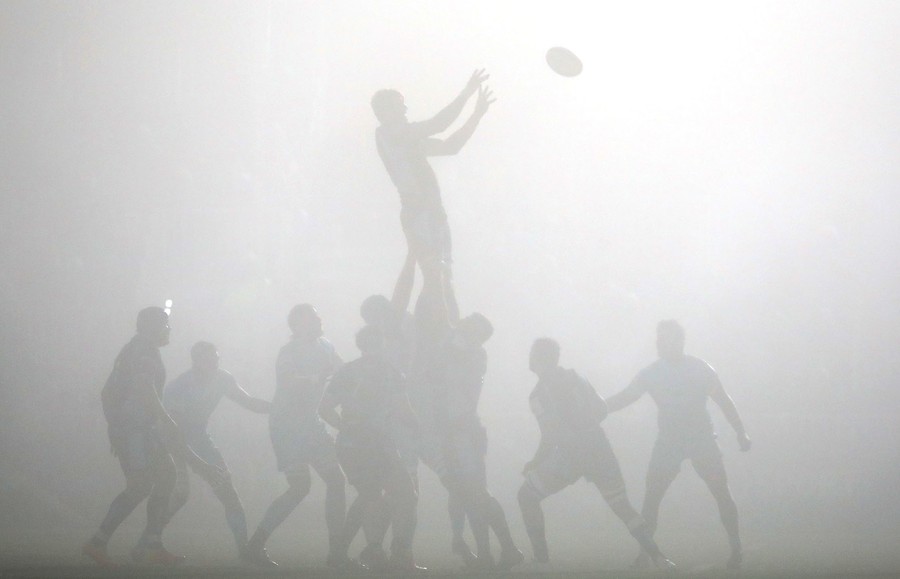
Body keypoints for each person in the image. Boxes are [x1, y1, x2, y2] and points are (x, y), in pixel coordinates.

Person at [517, 338, 675, 570]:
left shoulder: (538, 395)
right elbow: (602, 410)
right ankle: (660, 558)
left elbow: (550, 436)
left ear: (538, 359)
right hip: (599, 449)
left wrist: (535, 462)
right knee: (622, 506)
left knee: (526, 496)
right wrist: (586, 427)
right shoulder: (577, 378)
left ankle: (541, 561)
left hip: (570, 456)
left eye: (533, 354)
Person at [82, 307, 223, 567]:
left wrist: (114, 426)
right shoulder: (144, 352)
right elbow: (145, 390)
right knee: (139, 485)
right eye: (165, 324)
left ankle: (151, 544)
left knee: (166, 475)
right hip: (136, 430)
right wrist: (164, 420)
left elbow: (107, 392)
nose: (169, 329)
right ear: (152, 327)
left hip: (138, 429)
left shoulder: (135, 349)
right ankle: (98, 542)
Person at [606, 320, 751, 570]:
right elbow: (625, 398)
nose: (658, 344)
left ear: (679, 342)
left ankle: (736, 548)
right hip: (669, 442)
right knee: (652, 497)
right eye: (658, 339)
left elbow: (723, 400)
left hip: (701, 440)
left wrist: (741, 431)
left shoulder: (700, 369)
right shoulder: (651, 373)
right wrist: (597, 408)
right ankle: (645, 553)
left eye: (664, 340)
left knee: (721, 492)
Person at [243, 304, 349, 568]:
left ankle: (336, 552)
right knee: (300, 487)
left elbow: (345, 373)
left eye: (317, 315)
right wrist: (317, 377)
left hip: (311, 425)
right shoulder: (288, 352)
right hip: (287, 427)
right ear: (298, 325)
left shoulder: (326, 346)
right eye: (312, 317)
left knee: (335, 481)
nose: (319, 319)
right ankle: (255, 544)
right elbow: (288, 381)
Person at [318, 325, 420, 571]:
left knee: (372, 496)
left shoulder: (348, 371)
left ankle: (362, 551)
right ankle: (393, 552)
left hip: (356, 444)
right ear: (382, 344)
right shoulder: (390, 372)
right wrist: (424, 431)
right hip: (373, 445)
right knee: (400, 494)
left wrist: (345, 427)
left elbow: (324, 408)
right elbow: (405, 411)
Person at [372, 69, 495, 270]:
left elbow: (450, 147)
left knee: (443, 278)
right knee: (435, 277)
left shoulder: (405, 141)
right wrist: (467, 92)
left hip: (432, 213)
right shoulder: (391, 136)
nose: (405, 109)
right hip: (420, 214)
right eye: (399, 106)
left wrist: (476, 115)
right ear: (385, 113)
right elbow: (439, 124)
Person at [163, 341, 270, 561]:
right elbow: (174, 432)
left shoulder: (222, 378)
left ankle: (244, 550)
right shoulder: (180, 386)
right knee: (180, 494)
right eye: (210, 359)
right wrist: (199, 463)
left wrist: (279, 406)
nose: (215, 363)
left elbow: (248, 402)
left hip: (200, 439)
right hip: (174, 442)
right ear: (196, 361)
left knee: (228, 493)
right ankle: (150, 539)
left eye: (217, 358)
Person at [435, 312, 524, 570]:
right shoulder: (462, 349)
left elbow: (452, 363)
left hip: (463, 432)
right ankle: (494, 550)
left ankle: (499, 549)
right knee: (467, 492)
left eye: (469, 324)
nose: (462, 324)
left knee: (475, 492)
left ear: (477, 334)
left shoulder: (471, 354)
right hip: (457, 431)